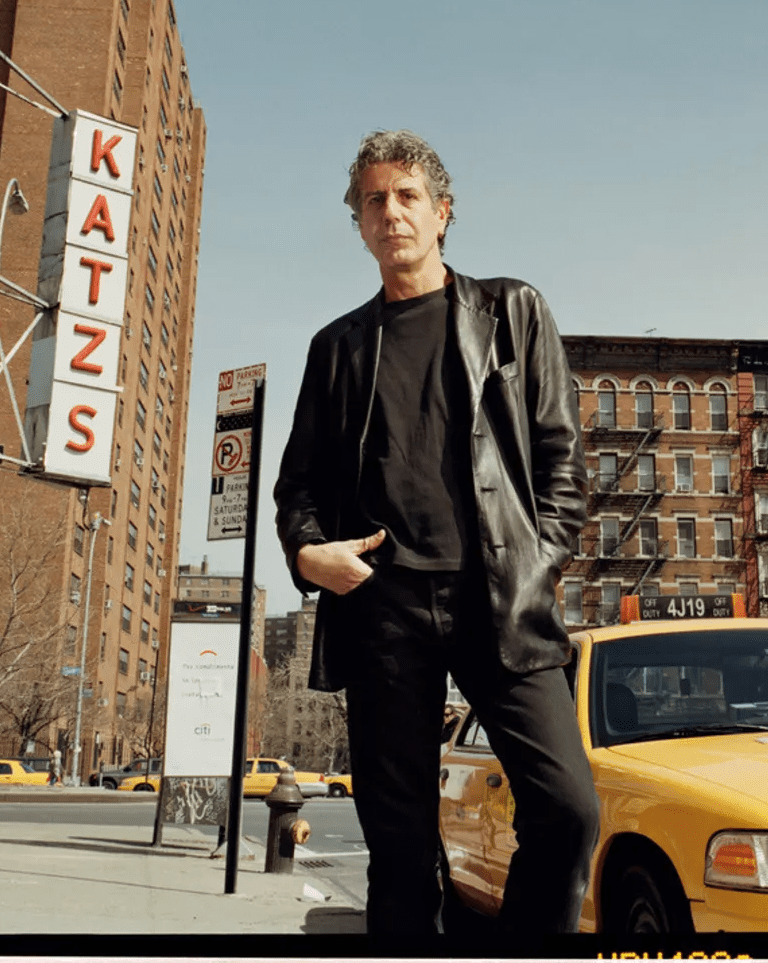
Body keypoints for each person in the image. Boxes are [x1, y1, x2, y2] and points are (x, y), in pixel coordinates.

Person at [274, 130, 600, 935]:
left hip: (501, 598)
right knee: (401, 843)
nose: (391, 213)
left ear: (443, 212)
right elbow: (299, 487)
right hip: (383, 607)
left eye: (407, 196)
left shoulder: (512, 311)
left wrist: (542, 558)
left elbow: (561, 456)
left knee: (567, 811)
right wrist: (308, 553)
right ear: (358, 223)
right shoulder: (338, 347)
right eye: (374, 201)